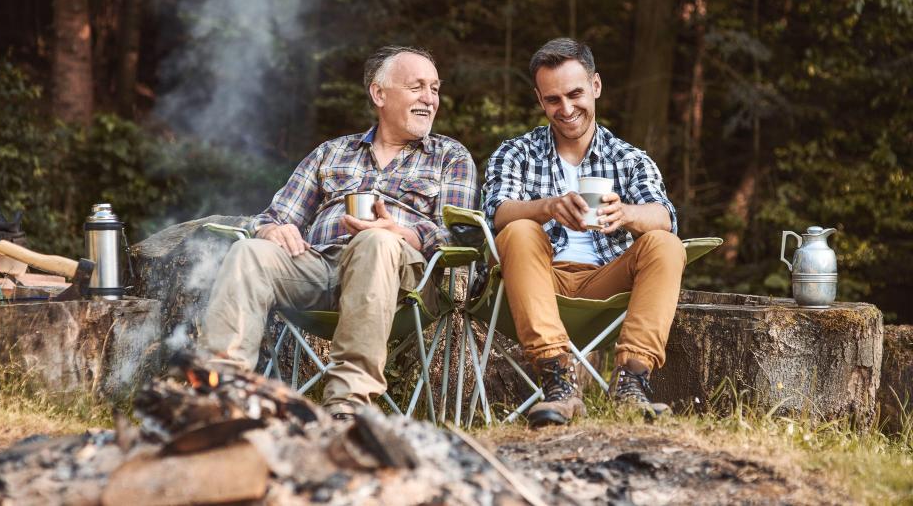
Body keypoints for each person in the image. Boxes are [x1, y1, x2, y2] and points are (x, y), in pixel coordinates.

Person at [201, 46, 478, 420]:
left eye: (434, 88)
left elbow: (458, 237)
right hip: (321, 266)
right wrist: (272, 229)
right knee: (250, 252)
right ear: (379, 94)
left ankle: (348, 402)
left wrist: (400, 231)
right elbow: (274, 215)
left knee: (376, 240)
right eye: (417, 87)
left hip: (403, 280)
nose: (429, 98)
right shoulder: (331, 153)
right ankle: (221, 397)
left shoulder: (449, 156)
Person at [483, 38, 685, 428]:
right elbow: (496, 211)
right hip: (539, 280)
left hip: (606, 282)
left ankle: (632, 381)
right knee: (519, 229)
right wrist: (547, 207)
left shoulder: (628, 158)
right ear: (540, 101)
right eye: (553, 99)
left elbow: (665, 215)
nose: (566, 108)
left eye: (575, 93)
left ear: (595, 86)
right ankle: (558, 380)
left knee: (665, 243)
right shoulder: (516, 153)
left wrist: (625, 213)